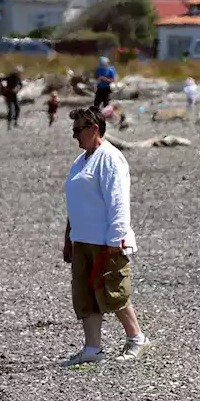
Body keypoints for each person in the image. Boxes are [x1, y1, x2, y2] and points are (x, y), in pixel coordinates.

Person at [60, 106, 150, 366]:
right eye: (73, 130)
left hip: (106, 240)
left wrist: (116, 238)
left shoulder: (110, 158)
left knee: (114, 291)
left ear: (94, 129)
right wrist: (69, 238)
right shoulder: (81, 161)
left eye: (78, 130)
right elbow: (74, 203)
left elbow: (118, 201)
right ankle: (93, 348)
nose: (74, 135)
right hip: (83, 239)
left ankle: (136, 338)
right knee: (85, 293)